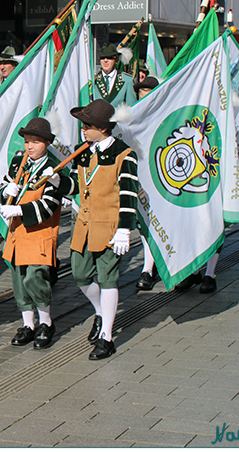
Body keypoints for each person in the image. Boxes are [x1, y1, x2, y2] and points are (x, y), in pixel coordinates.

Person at [57, 99, 138, 360]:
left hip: (109, 227)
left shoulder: (124, 154)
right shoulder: (83, 151)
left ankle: (107, 337)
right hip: (84, 226)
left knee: (108, 279)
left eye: (87, 125)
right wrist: (59, 181)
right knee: (80, 276)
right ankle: (100, 311)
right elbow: (77, 187)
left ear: (102, 128)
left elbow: (128, 195)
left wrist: (125, 230)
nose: (82, 129)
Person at [0, 117, 65, 349]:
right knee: (19, 282)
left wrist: (18, 208)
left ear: (47, 143)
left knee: (35, 279)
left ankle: (46, 322)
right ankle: (28, 324)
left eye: (36, 142)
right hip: (17, 234)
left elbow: (48, 206)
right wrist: (5, 191)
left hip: (39, 234)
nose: (29, 146)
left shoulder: (53, 170)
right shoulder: (19, 163)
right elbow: (4, 192)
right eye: (27, 141)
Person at [133, 75, 161, 292]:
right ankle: (147, 268)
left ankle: (152, 267)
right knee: (145, 222)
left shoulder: (164, 113)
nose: (144, 97)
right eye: (141, 93)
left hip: (162, 175)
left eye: (149, 92)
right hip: (141, 174)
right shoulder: (132, 117)